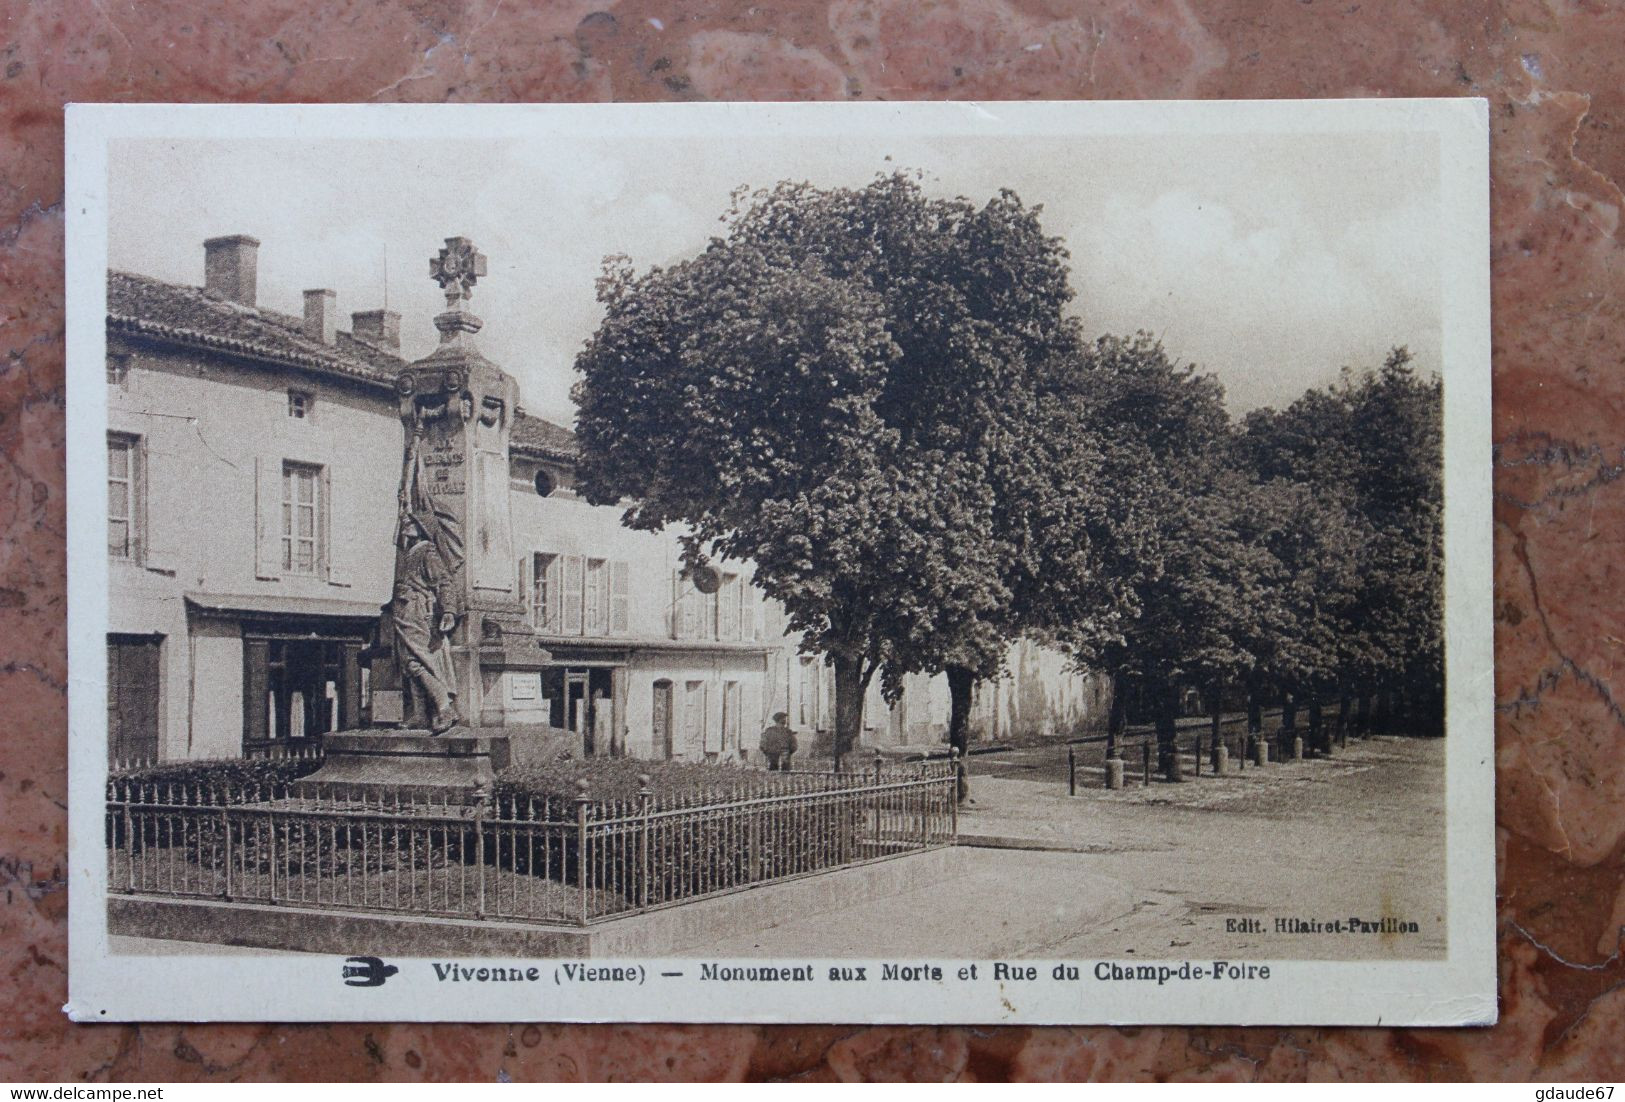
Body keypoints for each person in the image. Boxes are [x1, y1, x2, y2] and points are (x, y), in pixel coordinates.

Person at [393, 513, 464, 735]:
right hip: (405, 614)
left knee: (418, 661)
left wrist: (449, 610)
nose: (406, 524)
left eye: (411, 522)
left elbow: (444, 582)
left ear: (422, 527)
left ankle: (444, 707)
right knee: (408, 662)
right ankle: (420, 714)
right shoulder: (409, 552)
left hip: (418, 612)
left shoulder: (427, 551)